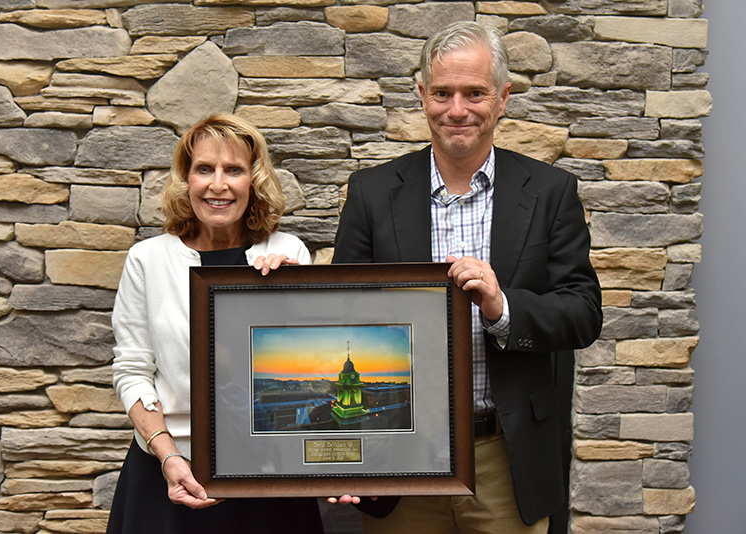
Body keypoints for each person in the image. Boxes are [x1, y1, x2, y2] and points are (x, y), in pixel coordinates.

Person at [332, 20, 603, 534]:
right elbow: (342, 313)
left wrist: (504, 309)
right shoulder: (369, 193)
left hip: (506, 455)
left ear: (502, 98)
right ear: (421, 96)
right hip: (401, 456)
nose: (457, 110)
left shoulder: (551, 192)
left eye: (474, 92)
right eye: (443, 93)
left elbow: (584, 312)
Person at [107, 114, 324, 533]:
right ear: (186, 179)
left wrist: (296, 299)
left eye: (234, 170)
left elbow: (312, 364)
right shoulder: (147, 260)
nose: (218, 184)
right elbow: (132, 371)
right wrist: (169, 456)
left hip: (266, 472)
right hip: (167, 472)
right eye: (204, 169)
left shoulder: (287, 251)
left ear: (254, 180)